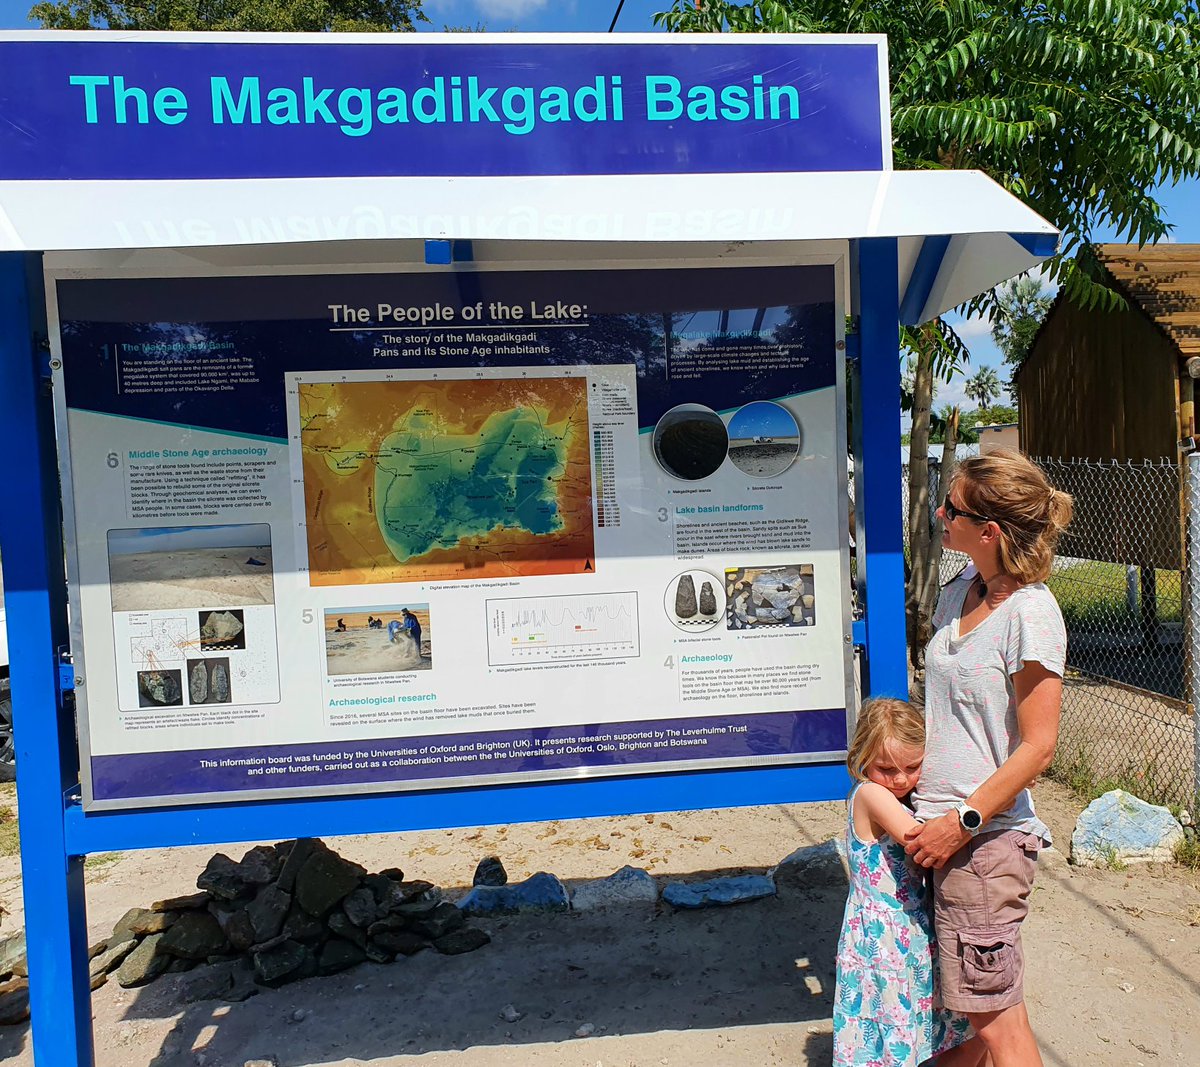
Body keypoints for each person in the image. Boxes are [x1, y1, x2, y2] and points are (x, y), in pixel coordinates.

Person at [904, 448, 1072, 1067]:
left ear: (989, 531)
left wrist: (962, 822)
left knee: (995, 1021)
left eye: (950, 508)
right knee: (974, 1016)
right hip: (940, 831)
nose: (939, 515)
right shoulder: (958, 594)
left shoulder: (1031, 613)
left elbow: (1039, 745)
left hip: (984, 843)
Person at [833, 696, 981, 1067]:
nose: (900, 778)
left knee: (932, 1024)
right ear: (862, 756)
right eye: (886, 767)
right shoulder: (871, 793)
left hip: (910, 929)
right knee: (890, 1027)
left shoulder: (902, 793)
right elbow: (919, 840)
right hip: (882, 936)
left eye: (912, 766)